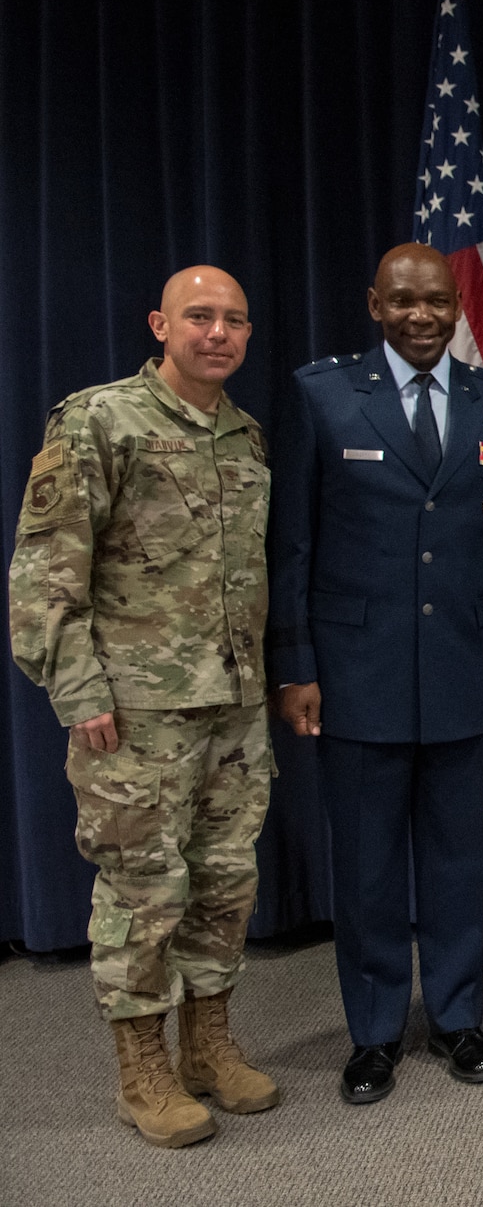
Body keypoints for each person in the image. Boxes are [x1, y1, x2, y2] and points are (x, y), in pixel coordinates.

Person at [9, 267, 280, 1147]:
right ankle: (142, 1070)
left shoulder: (245, 436)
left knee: (224, 881)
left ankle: (207, 1046)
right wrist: (79, 690)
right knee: (142, 891)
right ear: (161, 323)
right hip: (135, 711)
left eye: (234, 320)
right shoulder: (99, 420)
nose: (218, 333)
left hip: (232, 707)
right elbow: (47, 572)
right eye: (199, 316)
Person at [267, 243, 483, 1104]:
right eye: (402, 301)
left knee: (461, 858)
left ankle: (459, 1019)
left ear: (459, 309)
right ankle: (376, 1032)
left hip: (465, 666)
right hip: (355, 675)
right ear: (374, 303)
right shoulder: (324, 394)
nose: (420, 316)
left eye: (435, 302)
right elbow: (295, 546)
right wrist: (297, 663)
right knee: (370, 865)